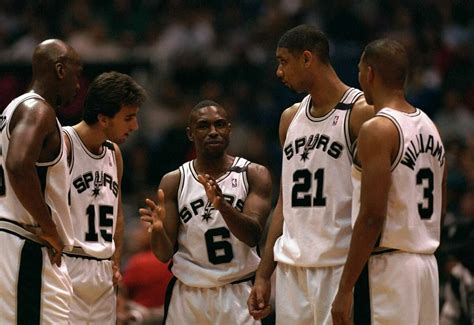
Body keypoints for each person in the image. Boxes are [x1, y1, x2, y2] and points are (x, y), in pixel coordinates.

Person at [247, 24, 374, 324]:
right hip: (293, 268)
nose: (279, 72)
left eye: (282, 61)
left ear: (307, 58)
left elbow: (376, 200)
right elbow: (284, 203)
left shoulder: (360, 113)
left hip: (339, 265)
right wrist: (264, 274)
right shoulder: (289, 118)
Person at [331, 39, 447, 324]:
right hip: (426, 266)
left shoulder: (377, 129)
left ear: (369, 74)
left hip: (389, 269)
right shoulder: (431, 127)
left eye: (359, 71)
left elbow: (372, 216)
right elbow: (440, 210)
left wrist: (345, 288)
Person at [139, 100, 273, 324]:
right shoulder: (174, 181)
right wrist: (158, 231)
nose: (213, 132)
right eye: (203, 126)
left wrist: (222, 206)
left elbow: (253, 235)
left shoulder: (253, 174)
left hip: (238, 292)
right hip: (188, 296)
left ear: (229, 129)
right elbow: (163, 254)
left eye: (219, 125)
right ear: (190, 134)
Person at [0, 39, 82, 323]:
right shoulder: (38, 110)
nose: (78, 84)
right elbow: (18, 166)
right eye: (76, 73)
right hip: (27, 243)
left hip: (13, 240)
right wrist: (49, 227)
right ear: (60, 70)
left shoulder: (12, 109)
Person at [62, 71, 146, 324]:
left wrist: (116, 259)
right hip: (68, 263)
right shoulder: (63, 144)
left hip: (102, 268)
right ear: (103, 118)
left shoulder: (114, 153)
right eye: (128, 118)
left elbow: (117, 212)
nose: (135, 126)